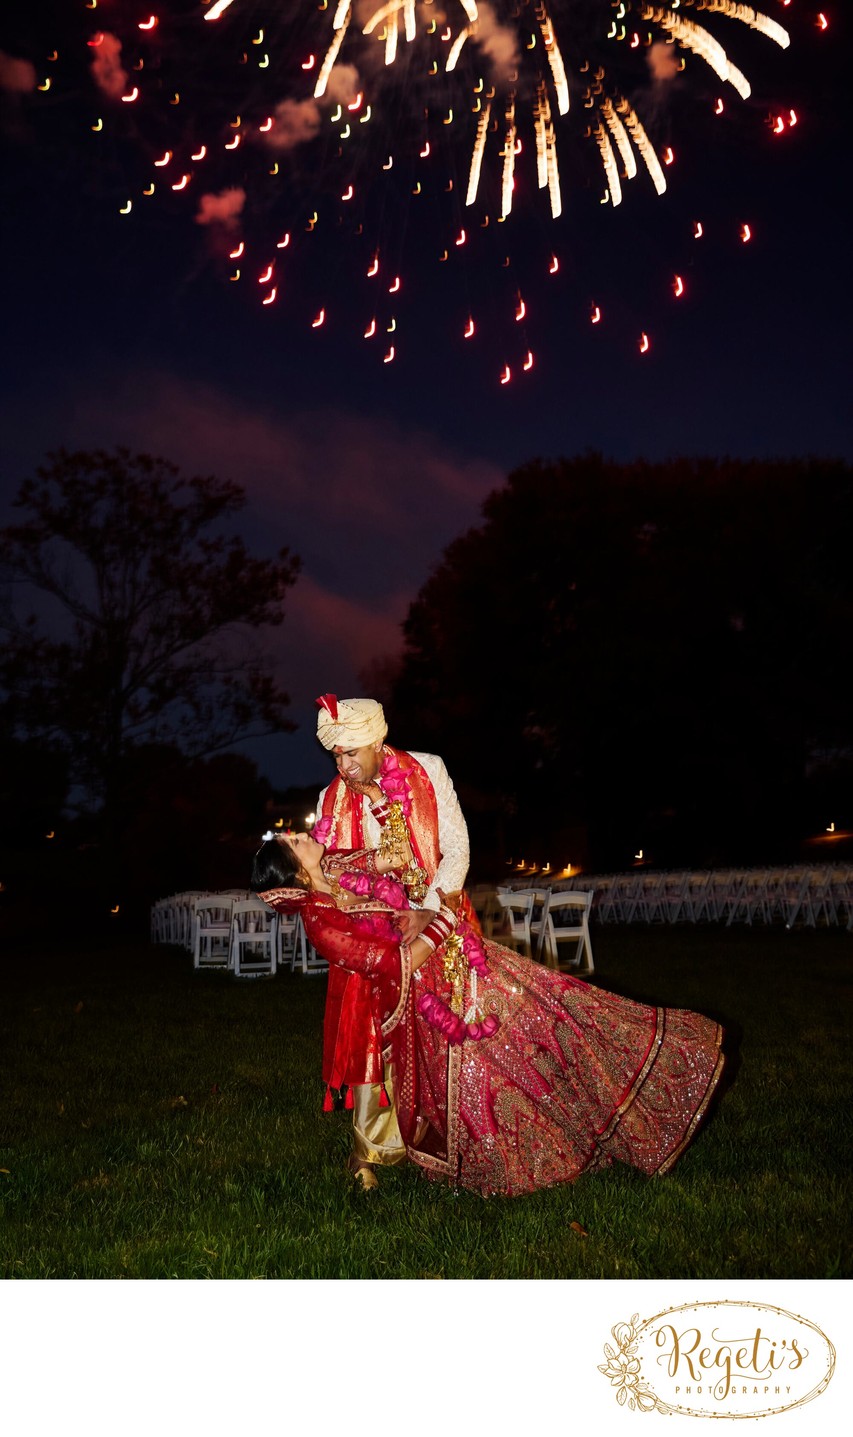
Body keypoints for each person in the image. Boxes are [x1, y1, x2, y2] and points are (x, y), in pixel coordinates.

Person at [252, 832, 726, 1199]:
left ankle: (633, 1081)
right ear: (294, 874)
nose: (301, 835)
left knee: (548, 1007)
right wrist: (440, 927)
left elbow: (393, 862)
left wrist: (425, 904)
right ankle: (530, 1144)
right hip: (429, 990)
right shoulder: (320, 921)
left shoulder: (335, 866)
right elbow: (386, 964)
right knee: (496, 1055)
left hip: (457, 958)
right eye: (293, 843)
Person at [312, 693, 472, 1189]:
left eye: (352, 752)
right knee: (372, 1038)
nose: (344, 764)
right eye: (336, 754)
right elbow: (326, 873)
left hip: (434, 916)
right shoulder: (329, 800)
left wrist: (428, 909)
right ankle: (373, 1151)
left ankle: (447, 1142)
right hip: (371, 939)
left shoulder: (428, 770)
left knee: (442, 1031)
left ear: (380, 739)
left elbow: (458, 847)